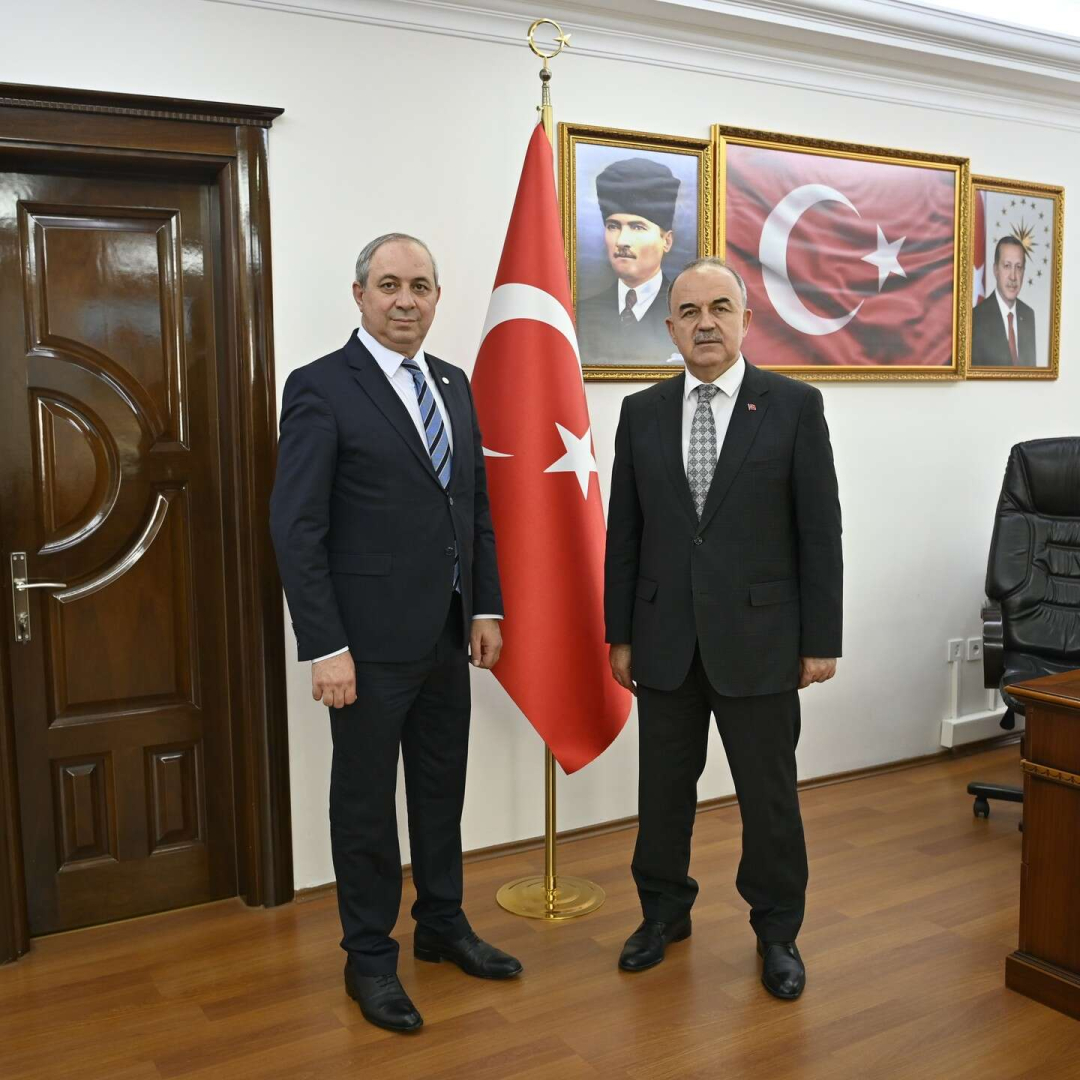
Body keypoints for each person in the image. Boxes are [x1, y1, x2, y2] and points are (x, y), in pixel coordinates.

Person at [269, 233, 521, 1034]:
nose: (405, 300)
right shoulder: (320, 386)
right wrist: (325, 646)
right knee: (366, 806)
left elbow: (473, 506)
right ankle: (370, 959)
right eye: (389, 285)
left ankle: (442, 925)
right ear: (360, 295)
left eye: (420, 286)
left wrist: (485, 607)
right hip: (365, 646)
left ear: (437, 297)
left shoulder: (451, 383)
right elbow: (296, 528)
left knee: (442, 791)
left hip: (448, 634)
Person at [604, 256, 843, 1000]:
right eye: (689, 311)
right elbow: (625, 534)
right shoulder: (641, 412)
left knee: (768, 800)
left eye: (719, 308)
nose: (704, 323)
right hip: (664, 642)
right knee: (662, 794)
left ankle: (777, 932)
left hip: (762, 643)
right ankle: (663, 914)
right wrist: (619, 633)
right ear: (670, 326)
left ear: (746, 319)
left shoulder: (794, 406)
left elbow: (819, 533)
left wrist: (821, 640)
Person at [576, 157, 682, 366]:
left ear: (666, 241)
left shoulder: (683, 313)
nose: (621, 241)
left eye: (637, 227)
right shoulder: (582, 313)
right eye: (613, 226)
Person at [972, 236, 1036, 367]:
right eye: (1007, 266)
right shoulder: (976, 318)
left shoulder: (1028, 314)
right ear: (995, 270)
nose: (1013, 276)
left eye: (1018, 267)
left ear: (1023, 272)